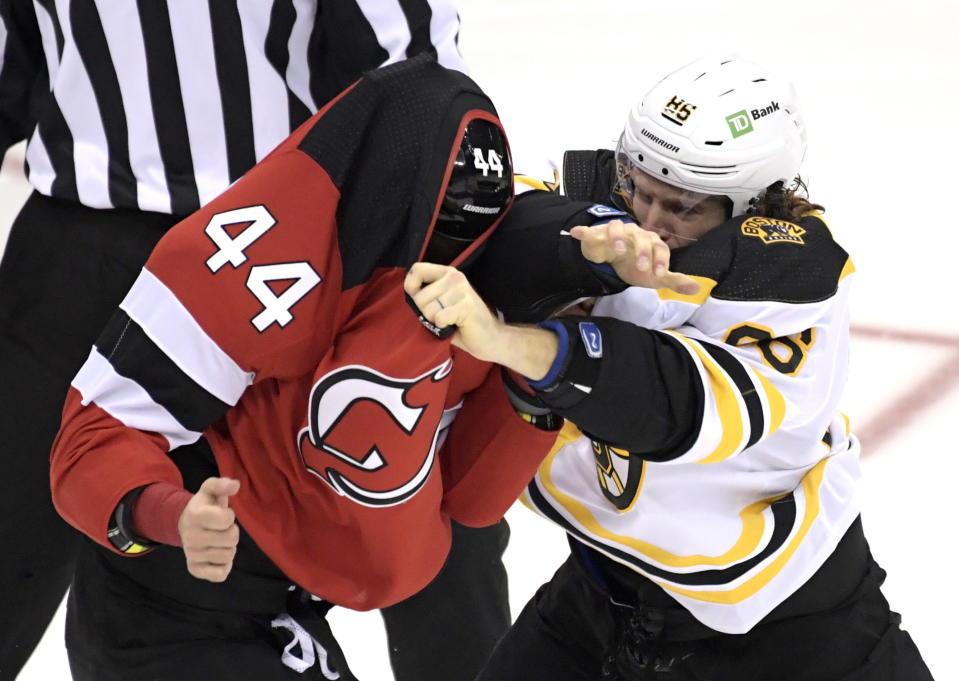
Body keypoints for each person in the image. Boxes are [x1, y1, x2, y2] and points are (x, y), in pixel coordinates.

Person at [0, 4, 515, 680]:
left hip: (285, 246)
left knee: (418, 523)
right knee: (18, 526)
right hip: (85, 247)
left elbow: (416, 87)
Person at [413, 54, 935, 680]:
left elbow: (666, 399)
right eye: (638, 188)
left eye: (681, 209)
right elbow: (510, 217)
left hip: (788, 634)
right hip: (601, 594)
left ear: (753, 205)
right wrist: (586, 239)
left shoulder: (794, 294)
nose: (648, 222)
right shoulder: (618, 206)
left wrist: (510, 343)